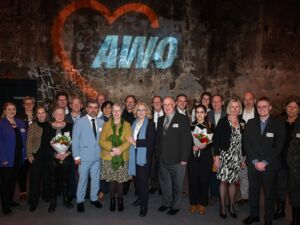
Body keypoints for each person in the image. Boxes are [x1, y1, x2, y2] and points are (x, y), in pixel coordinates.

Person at [243, 97, 286, 225]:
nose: (261, 109)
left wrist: (265, 162)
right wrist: (255, 161)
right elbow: (246, 144)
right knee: (253, 191)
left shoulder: (278, 124)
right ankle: (254, 215)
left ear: (270, 107)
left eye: (264, 106)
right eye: (259, 107)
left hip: (270, 165)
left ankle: (268, 219)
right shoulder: (250, 123)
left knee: (269, 194)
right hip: (253, 164)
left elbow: (279, 146)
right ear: (257, 108)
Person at [156, 97, 192, 216]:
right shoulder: (161, 119)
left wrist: (184, 158)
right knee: (165, 183)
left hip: (178, 160)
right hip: (163, 159)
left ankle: (175, 206)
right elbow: (159, 140)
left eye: (169, 104)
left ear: (174, 105)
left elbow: (186, 140)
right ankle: (166, 203)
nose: (166, 107)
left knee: (177, 184)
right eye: (164, 104)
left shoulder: (182, 119)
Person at [213, 98, 245, 219]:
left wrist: (244, 158)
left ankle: (231, 205)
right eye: (233, 107)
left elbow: (245, 141)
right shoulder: (223, 121)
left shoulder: (242, 122)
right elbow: (216, 141)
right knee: (223, 181)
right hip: (224, 156)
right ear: (229, 108)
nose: (235, 109)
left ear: (240, 109)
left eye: (237, 107)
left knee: (233, 182)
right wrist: (216, 158)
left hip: (237, 157)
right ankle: (222, 205)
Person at [72, 100, 104, 213]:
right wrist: (76, 157)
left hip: (97, 156)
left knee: (96, 179)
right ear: (86, 109)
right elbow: (75, 140)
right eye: (91, 107)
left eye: (96, 107)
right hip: (84, 157)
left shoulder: (101, 122)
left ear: (98, 109)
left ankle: (94, 198)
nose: (93, 109)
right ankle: (80, 201)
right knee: (82, 180)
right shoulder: (79, 122)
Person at [99, 103, 132, 212]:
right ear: (111, 112)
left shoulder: (127, 125)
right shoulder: (106, 124)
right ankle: (113, 200)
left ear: (122, 112)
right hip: (109, 156)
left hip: (122, 157)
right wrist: (112, 149)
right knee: (112, 181)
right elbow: (101, 141)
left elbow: (129, 141)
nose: (116, 113)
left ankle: (120, 200)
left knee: (120, 181)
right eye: (114, 110)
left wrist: (120, 150)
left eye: (118, 110)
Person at [128, 102, 156, 217]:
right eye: (138, 110)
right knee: (136, 180)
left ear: (147, 112)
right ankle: (139, 199)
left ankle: (144, 206)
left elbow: (150, 142)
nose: (140, 112)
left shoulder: (150, 124)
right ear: (136, 111)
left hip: (143, 157)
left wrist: (135, 142)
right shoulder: (133, 123)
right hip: (133, 155)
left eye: (143, 110)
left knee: (143, 182)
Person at [273, 100, 299, 220]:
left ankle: (295, 218)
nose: (292, 109)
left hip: (296, 164)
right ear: (285, 108)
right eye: (289, 106)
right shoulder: (280, 123)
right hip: (281, 162)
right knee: (280, 188)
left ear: (298, 109)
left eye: (295, 107)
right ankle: (280, 211)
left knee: (295, 191)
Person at [0, 102, 27, 215]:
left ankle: (10, 201)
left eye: (13, 109)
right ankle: (5, 205)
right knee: (6, 183)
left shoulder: (20, 122)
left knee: (12, 181)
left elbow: (24, 140)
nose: (12, 111)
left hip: (18, 158)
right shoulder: (1, 124)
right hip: (7, 158)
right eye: (9, 109)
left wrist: (25, 153)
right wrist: (3, 158)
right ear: (4, 111)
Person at [188, 104, 214, 215]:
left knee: (204, 180)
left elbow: (213, 141)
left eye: (201, 112)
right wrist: (192, 146)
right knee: (193, 180)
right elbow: (187, 140)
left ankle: (203, 204)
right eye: (197, 112)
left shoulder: (210, 125)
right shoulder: (191, 125)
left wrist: (205, 145)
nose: (199, 114)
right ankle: (193, 203)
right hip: (193, 156)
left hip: (206, 156)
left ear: (205, 113)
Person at [47, 107, 73, 213]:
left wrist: (67, 153)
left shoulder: (70, 126)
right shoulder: (48, 127)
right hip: (53, 159)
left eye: (62, 113)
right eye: (57, 113)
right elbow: (45, 144)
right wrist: (55, 154)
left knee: (66, 181)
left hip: (66, 158)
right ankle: (53, 202)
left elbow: (74, 141)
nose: (59, 115)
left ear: (64, 115)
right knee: (53, 181)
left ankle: (66, 200)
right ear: (53, 115)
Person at [27, 106, 52, 212]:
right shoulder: (33, 126)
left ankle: (46, 196)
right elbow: (29, 141)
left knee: (47, 178)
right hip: (36, 156)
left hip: (49, 157)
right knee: (34, 180)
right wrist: (29, 154)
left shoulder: (51, 125)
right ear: (36, 115)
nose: (41, 115)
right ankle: (33, 201)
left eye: (43, 112)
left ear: (46, 114)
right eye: (39, 113)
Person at [237, 91, 258, 206]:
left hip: (256, 150)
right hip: (241, 148)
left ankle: (254, 197)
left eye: (250, 99)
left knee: (254, 176)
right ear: (243, 101)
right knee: (243, 174)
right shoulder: (239, 116)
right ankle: (244, 196)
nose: (248, 102)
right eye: (245, 99)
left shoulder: (259, 114)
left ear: (254, 100)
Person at [207, 94, 227, 204]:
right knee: (213, 173)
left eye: (218, 101)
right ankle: (214, 195)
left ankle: (222, 195)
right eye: (213, 101)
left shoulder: (227, 115)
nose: (216, 103)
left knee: (222, 173)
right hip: (210, 149)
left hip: (224, 149)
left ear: (222, 102)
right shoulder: (207, 115)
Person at [17, 96, 36, 201]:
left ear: (34, 105)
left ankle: (34, 191)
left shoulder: (38, 116)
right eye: (26, 104)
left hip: (36, 149)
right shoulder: (18, 117)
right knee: (23, 171)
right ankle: (23, 191)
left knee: (35, 172)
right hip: (24, 149)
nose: (29, 105)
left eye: (31, 103)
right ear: (23, 105)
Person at [149, 96, 164, 194]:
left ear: (162, 103)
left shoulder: (168, 114)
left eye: (158, 102)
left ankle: (162, 187)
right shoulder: (149, 115)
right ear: (152, 104)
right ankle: (154, 185)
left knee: (162, 168)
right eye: (155, 102)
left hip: (163, 146)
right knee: (152, 167)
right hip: (152, 145)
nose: (157, 104)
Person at [287, 118, 300, 225]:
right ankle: (295, 219)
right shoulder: (298, 124)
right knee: (295, 193)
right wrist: (291, 163)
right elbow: (293, 144)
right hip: (296, 166)